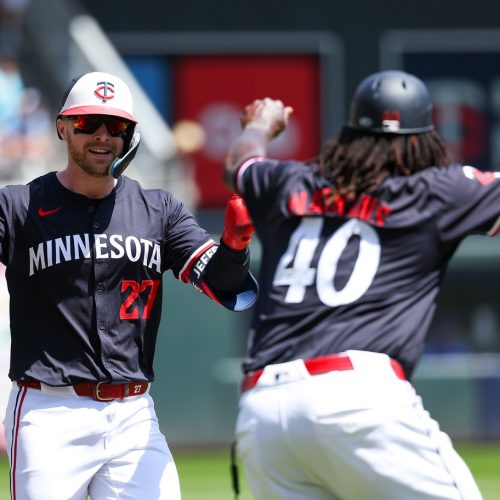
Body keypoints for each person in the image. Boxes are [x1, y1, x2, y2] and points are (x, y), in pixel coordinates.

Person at [224, 70, 490, 499]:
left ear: (349, 133)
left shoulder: (288, 182)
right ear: (423, 139)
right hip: (357, 397)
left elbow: (240, 164)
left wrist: (260, 125)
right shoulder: (436, 192)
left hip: (264, 408)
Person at [1, 70, 257, 500]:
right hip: (50, 411)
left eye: (115, 126)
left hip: (133, 413)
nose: (102, 136)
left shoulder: (160, 210)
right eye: (88, 124)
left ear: (129, 136)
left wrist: (235, 244)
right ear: (63, 126)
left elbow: (226, 286)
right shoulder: (19, 206)